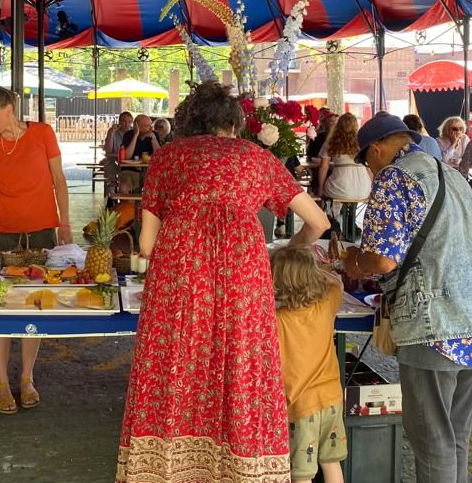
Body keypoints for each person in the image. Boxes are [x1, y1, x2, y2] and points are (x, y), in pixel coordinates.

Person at [116, 81, 330, 482]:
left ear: (189, 121)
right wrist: (287, 251)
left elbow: (146, 244)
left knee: (176, 360)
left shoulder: (169, 157)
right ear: (233, 125)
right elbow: (318, 222)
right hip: (242, 274)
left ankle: (167, 469)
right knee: (240, 362)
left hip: (179, 275)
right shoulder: (257, 157)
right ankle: (242, 468)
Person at [343, 114, 472, 483]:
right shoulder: (451, 175)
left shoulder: (394, 178)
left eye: (366, 160)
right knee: (455, 435)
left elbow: (383, 260)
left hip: (435, 324)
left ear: (376, 149)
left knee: (433, 440)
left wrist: (355, 261)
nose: (369, 169)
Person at [0, 87, 71, 415]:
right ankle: (0, 381)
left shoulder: (43, 133)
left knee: (35, 305)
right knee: (0, 306)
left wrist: (65, 222)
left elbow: (59, 179)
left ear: (9, 108)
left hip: (42, 232)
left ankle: (27, 377)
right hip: (5, 235)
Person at [271, 246, 347, 483]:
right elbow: (337, 282)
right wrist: (319, 270)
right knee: (331, 462)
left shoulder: (276, 320)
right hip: (332, 398)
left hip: (301, 406)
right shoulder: (326, 304)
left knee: (302, 474)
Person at [317, 112, 371, 206]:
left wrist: (320, 190)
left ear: (338, 125)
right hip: (363, 190)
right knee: (349, 194)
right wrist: (371, 188)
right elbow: (369, 168)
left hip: (339, 189)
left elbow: (323, 168)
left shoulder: (331, 141)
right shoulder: (363, 141)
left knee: (329, 191)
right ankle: (350, 213)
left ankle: (335, 213)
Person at [119, 114, 162, 193]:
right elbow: (126, 157)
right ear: (137, 126)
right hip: (130, 170)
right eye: (147, 126)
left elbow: (159, 156)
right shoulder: (128, 135)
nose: (151, 128)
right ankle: (127, 202)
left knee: (157, 187)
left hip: (149, 170)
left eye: (151, 125)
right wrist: (135, 135)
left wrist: (154, 139)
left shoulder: (154, 135)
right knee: (123, 187)